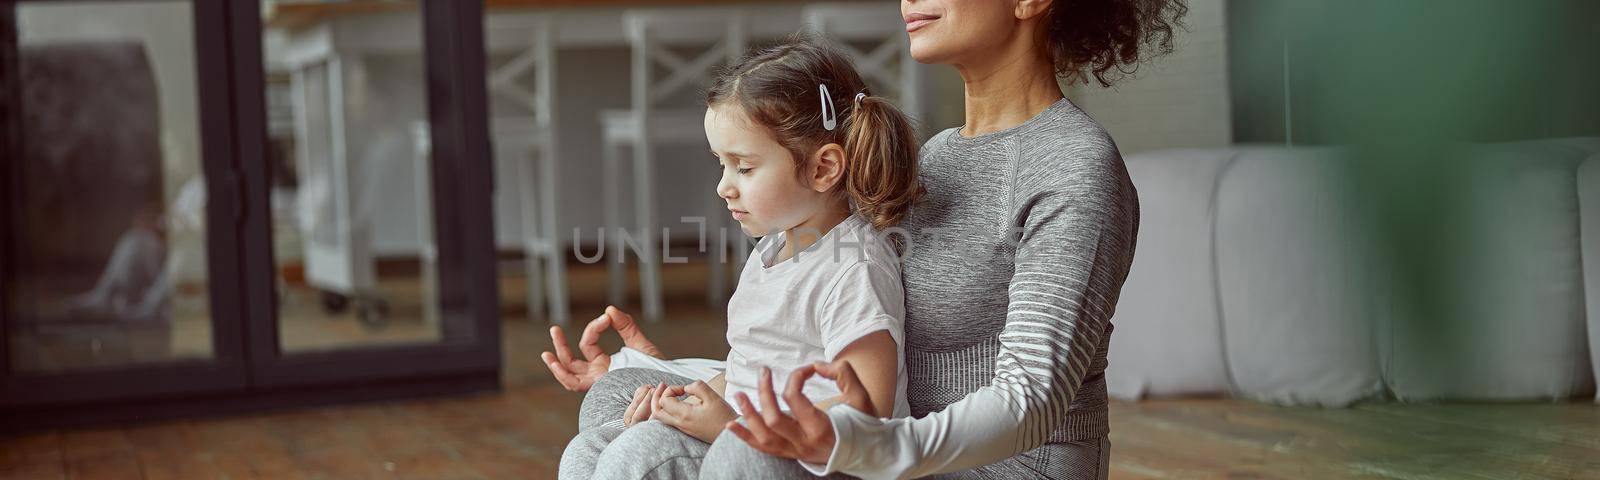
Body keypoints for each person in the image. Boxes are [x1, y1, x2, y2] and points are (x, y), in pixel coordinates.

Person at [548, 0, 1183, 477]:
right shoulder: (933, 159)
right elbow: (817, 331)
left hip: (997, 466)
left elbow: (1033, 402)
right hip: (879, 442)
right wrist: (667, 374)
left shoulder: (1072, 166)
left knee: (741, 449)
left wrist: (853, 442)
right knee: (613, 408)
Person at [551, 36, 926, 480]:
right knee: (608, 413)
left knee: (641, 454)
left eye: (744, 168)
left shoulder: (853, 267)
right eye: (721, 165)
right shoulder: (774, 246)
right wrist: (687, 398)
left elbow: (869, 406)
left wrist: (731, 426)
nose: (724, 186)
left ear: (824, 168)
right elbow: (752, 365)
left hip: (814, 461)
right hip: (745, 425)